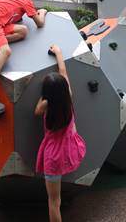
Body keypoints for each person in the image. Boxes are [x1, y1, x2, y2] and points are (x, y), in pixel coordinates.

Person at [35, 45, 86, 222]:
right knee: (57, 199)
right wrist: (58, 53)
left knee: (54, 201)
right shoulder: (68, 97)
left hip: (53, 157)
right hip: (70, 149)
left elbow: (36, 111)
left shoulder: (45, 105)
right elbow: (63, 72)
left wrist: (44, 96)